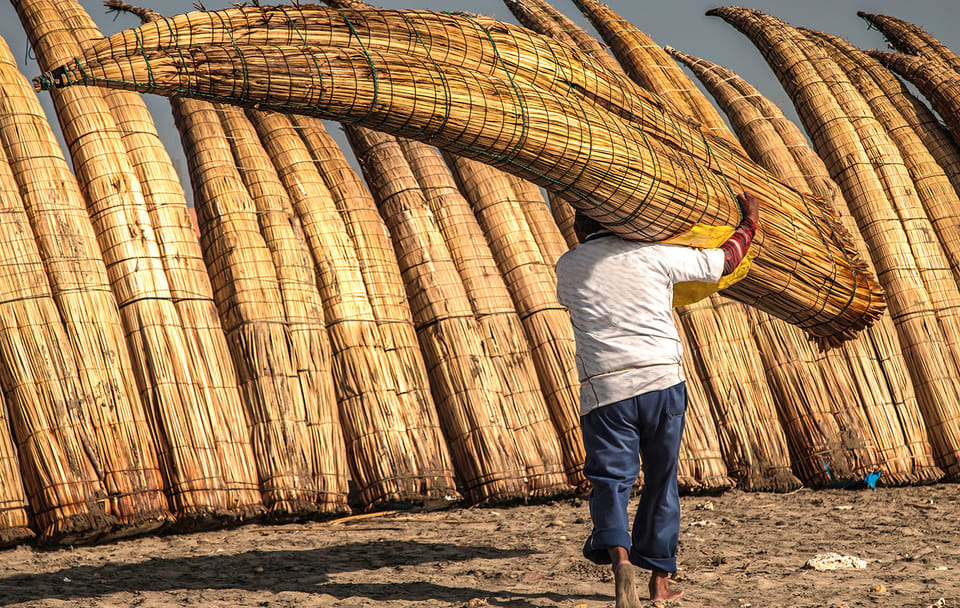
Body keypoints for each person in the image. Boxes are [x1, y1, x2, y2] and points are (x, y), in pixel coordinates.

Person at [555, 192, 761, 606]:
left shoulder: (568, 266)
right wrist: (748, 223)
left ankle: (620, 560)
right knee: (662, 480)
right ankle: (660, 580)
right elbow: (723, 262)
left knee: (611, 481)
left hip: (605, 390)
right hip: (661, 381)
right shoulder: (655, 255)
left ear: (580, 230)